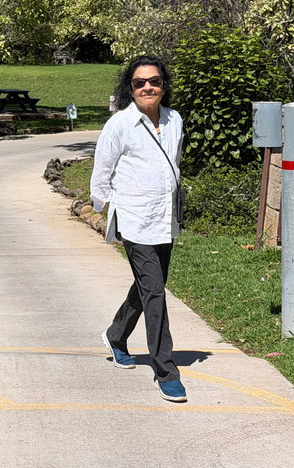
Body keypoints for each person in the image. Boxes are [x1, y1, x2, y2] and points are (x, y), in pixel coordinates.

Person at [90, 55, 186, 402]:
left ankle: (117, 335)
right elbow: (102, 169)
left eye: (154, 81)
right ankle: (166, 370)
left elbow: (172, 163)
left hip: (165, 217)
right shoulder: (119, 125)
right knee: (155, 292)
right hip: (133, 217)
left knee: (150, 286)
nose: (148, 87)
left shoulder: (175, 120)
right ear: (130, 88)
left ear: (163, 85)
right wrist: (101, 207)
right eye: (139, 82)